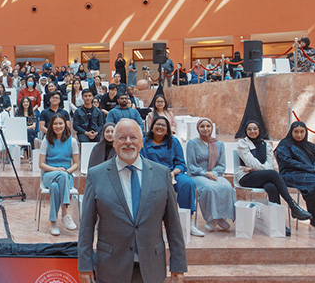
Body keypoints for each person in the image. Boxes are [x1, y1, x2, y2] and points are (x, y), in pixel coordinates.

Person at [78, 118, 187, 283]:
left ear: (142, 142)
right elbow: (86, 225)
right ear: (114, 142)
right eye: (122, 137)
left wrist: (178, 265)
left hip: (151, 266)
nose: (128, 142)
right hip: (111, 267)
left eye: (133, 137)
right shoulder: (96, 175)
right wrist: (85, 265)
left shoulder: (162, 174)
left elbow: (173, 225)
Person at [235, 119, 312, 228]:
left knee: (272, 187)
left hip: (262, 176)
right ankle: (293, 206)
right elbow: (251, 162)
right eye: (249, 129)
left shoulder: (266, 145)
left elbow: (269, 165)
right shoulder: (242, 143)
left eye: (255, 129)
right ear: (246, 131)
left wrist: (255, 169)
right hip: (246, 177)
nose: (252, 131)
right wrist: (259, 169)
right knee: (273, 174)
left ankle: (278, 223)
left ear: (259, 130)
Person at [140, 116, 202, 237]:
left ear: (168, 129)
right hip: (151, 174)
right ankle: (152, 223)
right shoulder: (143, 142)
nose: (160, 127)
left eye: (163, 125)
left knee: (187, 183)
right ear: (152, 127)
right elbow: (141, 162)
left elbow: (180, 163)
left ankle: (187, 222)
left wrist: (173, 173)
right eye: (157, 124)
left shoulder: (174, 142)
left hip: (172, 173)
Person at [186, 118, 235, 232]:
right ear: (197, 128)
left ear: (211, 128)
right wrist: (205, 173)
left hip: (214, 173)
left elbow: (221, 165)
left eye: (208, 126)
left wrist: (214, 173)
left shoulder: (219, 144)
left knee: (227, 187)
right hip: (197, 174)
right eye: (202, 126)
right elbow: (191, 165)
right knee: (209, 188)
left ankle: (221, 217)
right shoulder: (192, 143)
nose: (205, 129)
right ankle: (212, 219)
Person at [39, 114, 80, 236]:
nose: (58, 126)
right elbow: (41, 164)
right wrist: (57, 170)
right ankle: (65, 212)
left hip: (66, 177)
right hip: (49, 175)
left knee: (55, 187)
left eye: (60, 123)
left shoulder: (72, 141)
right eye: (55, 124)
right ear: (51, 125)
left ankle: (53, 222)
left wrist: (66, 172)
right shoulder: (46, 141)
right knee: (60, 177)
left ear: (65, 125)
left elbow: (76, 164)